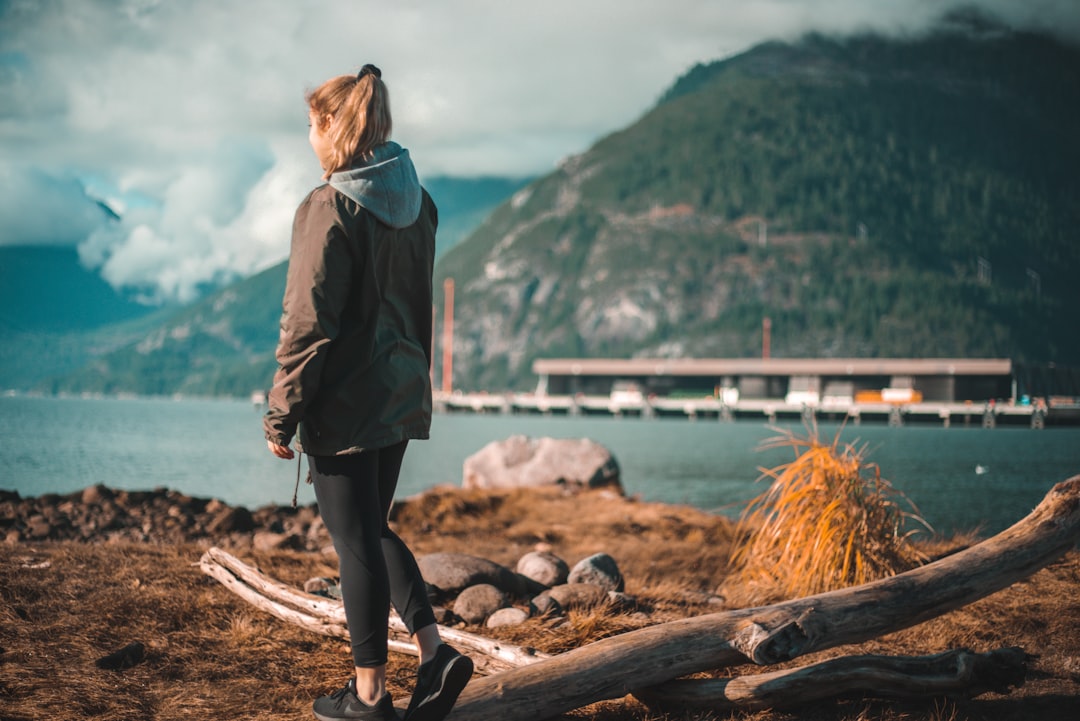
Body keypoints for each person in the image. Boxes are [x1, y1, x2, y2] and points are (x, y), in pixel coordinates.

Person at [264, 64, 473, 721]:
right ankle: (435, 653)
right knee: (370, 527)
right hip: (400, 395)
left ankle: (370, 695)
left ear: (331, 125)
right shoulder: (420, 204)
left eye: (309, 124)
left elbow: (307, 322)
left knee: (353, 541)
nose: (307, 137)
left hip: (347, 403)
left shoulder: (328, 206)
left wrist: (281, 415)